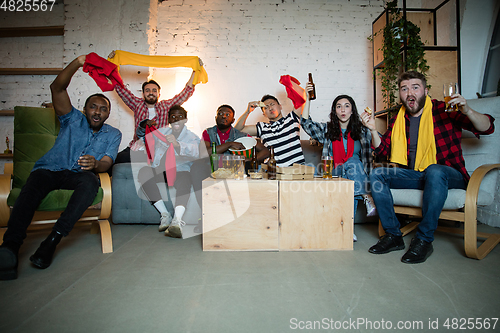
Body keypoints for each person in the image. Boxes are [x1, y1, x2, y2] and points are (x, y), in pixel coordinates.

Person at [0, 55, 122, 280]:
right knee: (32, 186)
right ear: (84, 110)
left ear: (108, 114)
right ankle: (10, 248)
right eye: (92, 107)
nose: (97, 112)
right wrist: (78, 62)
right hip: (50, 169)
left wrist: (96, 164)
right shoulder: (71, 119)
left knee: (91, 183)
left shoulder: (113, 134)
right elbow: (56, 87)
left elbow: (107, 162)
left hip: (79, 175)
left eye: (102, 109)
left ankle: (52, 241)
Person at [365, 71, 495, 264]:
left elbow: (487, 127)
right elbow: (382, 151)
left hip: (449, 175)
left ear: (426, 91)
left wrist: (467, 110)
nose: (410, 93)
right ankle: (393, 235)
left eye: (415, 87)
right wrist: (373, 130)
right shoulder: (397, 119)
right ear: (400, 94)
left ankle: (424, 239)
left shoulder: (445, 109)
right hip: (416, 175)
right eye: (404, 88)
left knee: (435, 169)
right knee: (377, 174)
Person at [301, 86, 377, 241]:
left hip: (355, 175)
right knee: (352, 164)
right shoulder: (327, 130)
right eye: (339, 106)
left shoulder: (362, 130)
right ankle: (367, 196)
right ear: (334, 111)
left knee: (353, 172)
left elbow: (380, 145)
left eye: (347, 106)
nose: (343, 109)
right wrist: (307, 98)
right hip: (334, 174)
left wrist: (373, 129)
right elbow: (305, 123)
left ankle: (347, 230)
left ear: (352, 110)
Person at [108, 50, 202, 164]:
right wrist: (112, 64)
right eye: (147, 90)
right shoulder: (137, 104)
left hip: (159, 148)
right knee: (117, 160)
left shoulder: (166, 106)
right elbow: (120, 88)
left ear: (159, 94)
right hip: (139, 146)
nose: (151, 92)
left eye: (154, 90)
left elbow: (185, 93)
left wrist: (195, 71)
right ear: (143, 94)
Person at [190, 104, 270, 233]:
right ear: (216, 117)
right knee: (196, 167)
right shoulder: (208, 132)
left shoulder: (240, 135)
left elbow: (265, 151)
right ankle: (205, 217)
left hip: (233, 169)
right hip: (211, 169)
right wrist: (229, 144)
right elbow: (204, 153)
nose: (223, 116)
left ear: (233, 120)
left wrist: (250, 160)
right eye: (220, 113)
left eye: (228, 114)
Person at [136, 105, 200, 238]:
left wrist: (177, 144)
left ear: (186, 119)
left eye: (180, 117)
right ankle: (165, 215)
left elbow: (197, 152)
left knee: (185, 180)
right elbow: (143, 136)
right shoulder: (162, 132)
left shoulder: (192, 137)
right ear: (169, 119)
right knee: (144, 172)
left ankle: (177, 220)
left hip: (180, 171)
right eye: (173, 117)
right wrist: (144, 125)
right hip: (161, 169)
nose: (176, 120)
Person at [234, 94, 305, 167]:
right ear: (264, 114)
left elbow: (300, 98)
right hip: (273, 171)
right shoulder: (262, 127)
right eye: (266, 107)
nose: (270, 108)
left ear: (280, 106)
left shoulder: (292, 119)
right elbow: (237, 130)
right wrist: (248, 111)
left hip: (297, 171)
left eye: (272, 104)